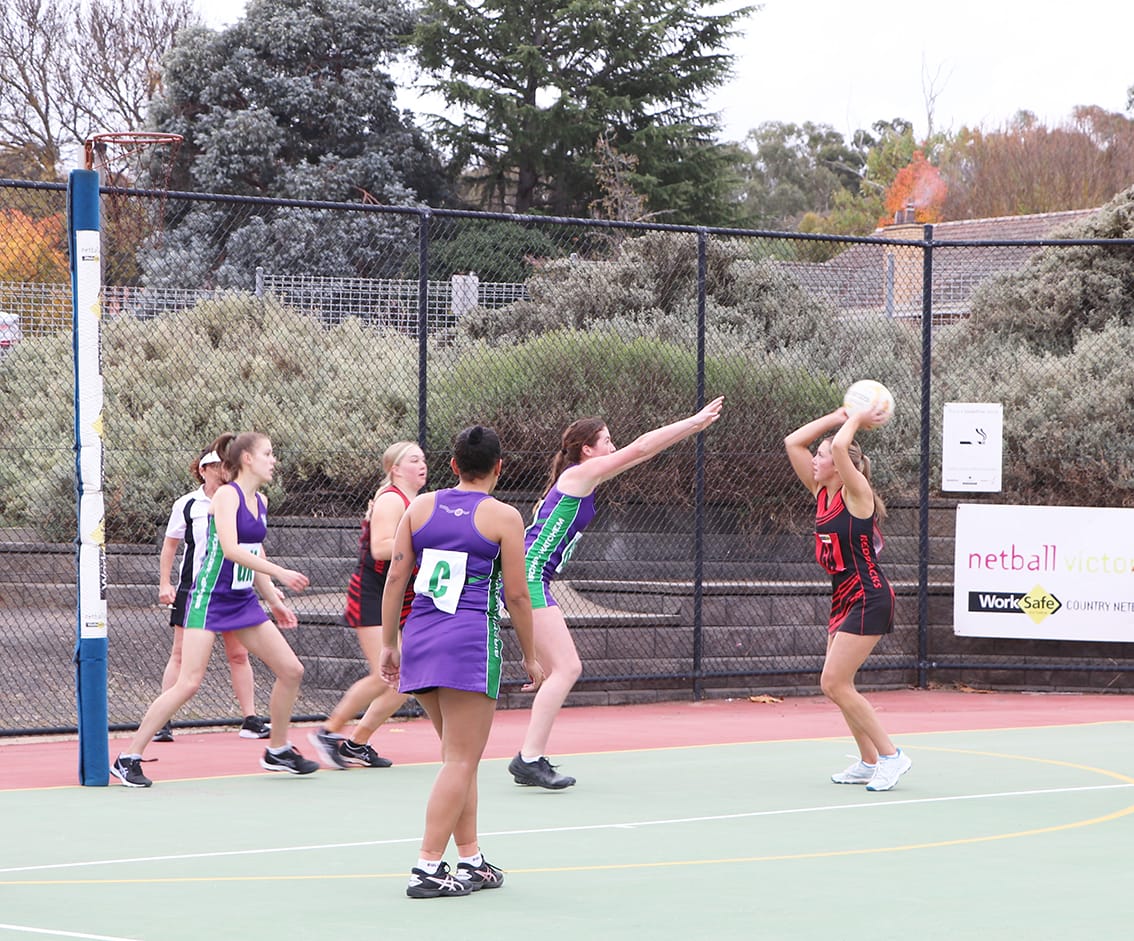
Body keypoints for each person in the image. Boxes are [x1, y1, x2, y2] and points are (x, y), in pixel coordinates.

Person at [508, 396, 725, 789]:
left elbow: (643, 452)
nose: (613, 446)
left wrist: (686, 432)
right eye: (607, 440)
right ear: (587, 450)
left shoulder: (583, 476)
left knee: (559, 671)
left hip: (531, 577)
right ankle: (528, 758)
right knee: (568, 669)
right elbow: (639, 447)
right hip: (529, 578)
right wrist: (693, 422)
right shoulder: (579, 475)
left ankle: (529, 756)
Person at [379, 425, 544, 898]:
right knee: (460, 761)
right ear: (499, 467)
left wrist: (390, 643)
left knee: (458, 759)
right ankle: (427, 867)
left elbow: (396, 578)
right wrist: (531, 656)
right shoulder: (504, 516)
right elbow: (517, 594)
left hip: (421, 636)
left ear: (452, 465)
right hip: (468, 642)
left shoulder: (420, 507)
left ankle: (470, 859)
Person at [111, 432, 318, 787]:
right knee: (189, 682)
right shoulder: (225, 496)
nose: (274, 460)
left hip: (242, 600)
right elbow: (231, 549)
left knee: (291, 670)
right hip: (209, 598)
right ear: (247, 459)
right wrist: (281, 573)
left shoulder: (261, 501)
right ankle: (128, 757)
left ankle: (278, 749)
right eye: (268, 453)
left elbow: (252, 553)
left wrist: (272, 599)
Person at [784, 403, 912, 792]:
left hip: (869, 595)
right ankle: (868, 761)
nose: (815, 460)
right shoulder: (821, 491)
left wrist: (857, 419)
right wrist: (838, 416)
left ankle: (892, 756)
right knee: (839, 685)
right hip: (843, 596)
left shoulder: (857, 494)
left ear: (839, 467)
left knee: (834, 683)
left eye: (821, 456)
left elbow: (841, 447)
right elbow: (792, 442)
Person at [308, 441, 428, 769]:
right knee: (384, 674)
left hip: (398, 595)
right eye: (413, 460)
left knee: (405, 680)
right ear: (395, 469)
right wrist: (425, 543)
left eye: (423, 459)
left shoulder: (415, 502)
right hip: (371, 593)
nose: (422, 465)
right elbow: (381, 548)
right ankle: (328, 732)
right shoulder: (391, 499)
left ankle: (356, 743)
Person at [154, 441, 270, 742]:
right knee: (180, 655)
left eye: (223, 464)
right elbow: (170, 545)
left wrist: (269, 585)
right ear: (203, 470)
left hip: (231, 588)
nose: (220, 470)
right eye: (214, 465)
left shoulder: (240, 499)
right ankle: (162, 721)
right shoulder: (187, 505)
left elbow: (252, 545)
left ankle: (250, 719)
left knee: (239, 654)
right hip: (196, 589)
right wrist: (165, 583)